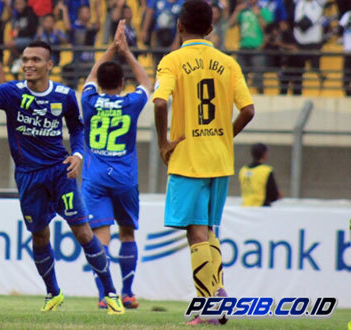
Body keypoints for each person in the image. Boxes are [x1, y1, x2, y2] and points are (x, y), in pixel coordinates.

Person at [0, 40, 126, 315]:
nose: (28, 64)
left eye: (36, 60)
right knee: (39, 235)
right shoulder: (11, 92)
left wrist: (78, 155)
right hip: (28, 177)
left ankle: (110, 293)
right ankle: (53, 292)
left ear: (50, 65)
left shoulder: (63, 95)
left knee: (83, 232)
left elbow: (77, 129)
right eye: (25, 59)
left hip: (59, 173)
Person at [152, 0, 255, 325]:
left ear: (179, 26)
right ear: (211, 29)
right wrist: (226, 136)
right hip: (220, 159)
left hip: (188, 159)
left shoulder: (173, 60)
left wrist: (163, 142)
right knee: (208, 231)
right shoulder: (228, 62)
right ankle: (215, 292)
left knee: (196, 232)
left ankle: (211, 304)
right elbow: (249, 111)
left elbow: (158, 103)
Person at [81, 20, 151, 310]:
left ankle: (104, 295)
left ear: (100, 83)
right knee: (127, 234)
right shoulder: (131, 103)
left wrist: (111, 47)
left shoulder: (89, 100)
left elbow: (89, 78)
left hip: (94, 178)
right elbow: (148, 83)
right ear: (122, 83)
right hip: (124, 178)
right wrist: (127, 51)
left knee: (100, 239)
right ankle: (128, 292)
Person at [229, 0, 274, 93]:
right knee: (240, 77)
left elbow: (268, 29)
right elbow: (230, 25)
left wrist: (258, 15)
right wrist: (237, 11)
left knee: (258, 78)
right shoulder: (242, 12)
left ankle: (260, 96)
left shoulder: (264, 11)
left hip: (258, 48)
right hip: (243, 48)